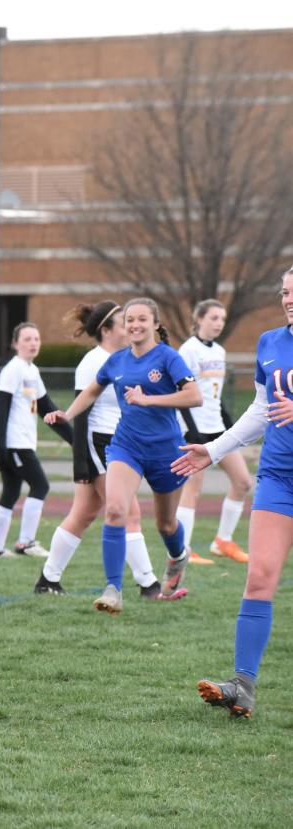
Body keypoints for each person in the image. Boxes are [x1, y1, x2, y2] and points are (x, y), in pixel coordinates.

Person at [173, 267, 293, 719]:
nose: (288, 300)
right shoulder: (271, 343)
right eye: (284, 292)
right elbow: (261, 410)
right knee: (259, 577)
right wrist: (214, 447)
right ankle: (242, 686)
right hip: (279, 477)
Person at [45, 297, 202, 615]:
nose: (135, 325)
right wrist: (67, 414)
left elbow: (194, 396)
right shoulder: (116, 361)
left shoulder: (168, 358)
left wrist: (149, 401)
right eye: (130, 319)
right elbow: (92, 389)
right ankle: (113, 590)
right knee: (115, 511)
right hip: (126, 446)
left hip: (165, 450)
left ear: (155, 324)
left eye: (142, 319)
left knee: (166, 524)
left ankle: (177, 557)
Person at [36, 302, 164, 597]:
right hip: (99, 444)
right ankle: (149, 584)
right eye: (123, 322)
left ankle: (47, 580)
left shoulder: (124, 359)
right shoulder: (93, 363)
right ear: (106, 330)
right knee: (128, 512)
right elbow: (81, 416)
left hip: (120, 443)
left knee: (83, 513)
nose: (130, 326)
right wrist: (82, 462)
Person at [0, 323, 72, 557]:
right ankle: (26, 542)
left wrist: (75, 440)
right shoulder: (13, 369)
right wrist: (1, 447)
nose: (33, 343)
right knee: (40, 485)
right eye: (27, 339)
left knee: (11, 492)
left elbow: (47, 409)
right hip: (13, 443)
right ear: (15, 344)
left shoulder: (32, 371)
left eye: (36, 338)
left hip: (22, 442)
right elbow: (1, 408)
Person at [176, 299, 251, 564]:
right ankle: (182, 550)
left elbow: (215, 397)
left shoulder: (219, 351)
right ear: (199, 319)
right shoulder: (188, 350)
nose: (219, 323)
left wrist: (231, 426)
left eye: (222, 318)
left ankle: (223, 541)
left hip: (217, 429)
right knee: (192, 491)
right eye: (213, 318)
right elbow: (181, 394)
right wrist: (192, 433)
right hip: (194, 431)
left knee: (243, 482)